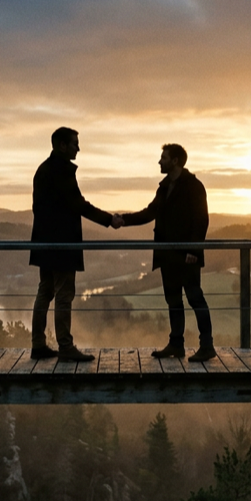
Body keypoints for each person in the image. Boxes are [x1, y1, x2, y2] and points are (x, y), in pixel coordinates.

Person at [117, 143, 215, 362]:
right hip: (167, 254)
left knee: (195, 298)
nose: (159, 161)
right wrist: (123, 219)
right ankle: (176, 344)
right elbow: (150, 212)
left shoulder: (193, 186)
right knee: (173, 300)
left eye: (163, 158)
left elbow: (201, 220)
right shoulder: (164, 187)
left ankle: (207, 346)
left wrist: (193, 250)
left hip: (186, 255)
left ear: (175, 161)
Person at [29, 127, 115, 362]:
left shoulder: (43, 170)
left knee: (45, 291)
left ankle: (38, 345)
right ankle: (65, 347)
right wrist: (109, 219)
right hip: (62, 243)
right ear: (61, 145)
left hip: (43, 241)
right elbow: (79, 205)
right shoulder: (62, 171)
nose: (79, 147)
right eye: (75, 143)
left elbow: (39, 208)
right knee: (64, 293)